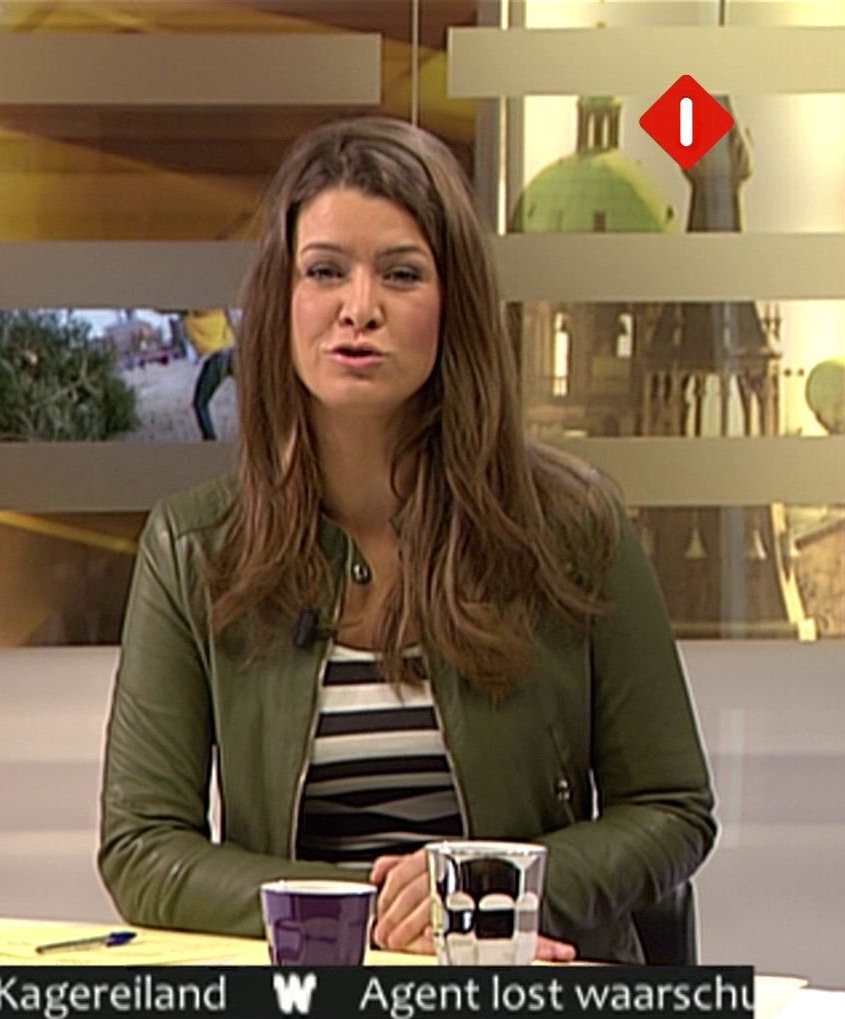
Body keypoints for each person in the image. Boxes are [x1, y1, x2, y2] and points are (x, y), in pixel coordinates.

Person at [97, 118, 716, 964]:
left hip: (529, 1004)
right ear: (283, 301)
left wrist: (492, 896)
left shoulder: (574, 526)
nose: (360, 308)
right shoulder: (194, 547)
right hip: (306, 1008)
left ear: (453, 304)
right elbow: (142, 849)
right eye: (325, 271)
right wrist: (379, 917)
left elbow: (673, 811)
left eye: (401, 273)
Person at [184, 308, 236, 441]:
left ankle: (210, 439)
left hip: (217, 358)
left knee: (200, 403)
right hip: (233, 352)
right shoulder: (219, 309)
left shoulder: (191, 312)